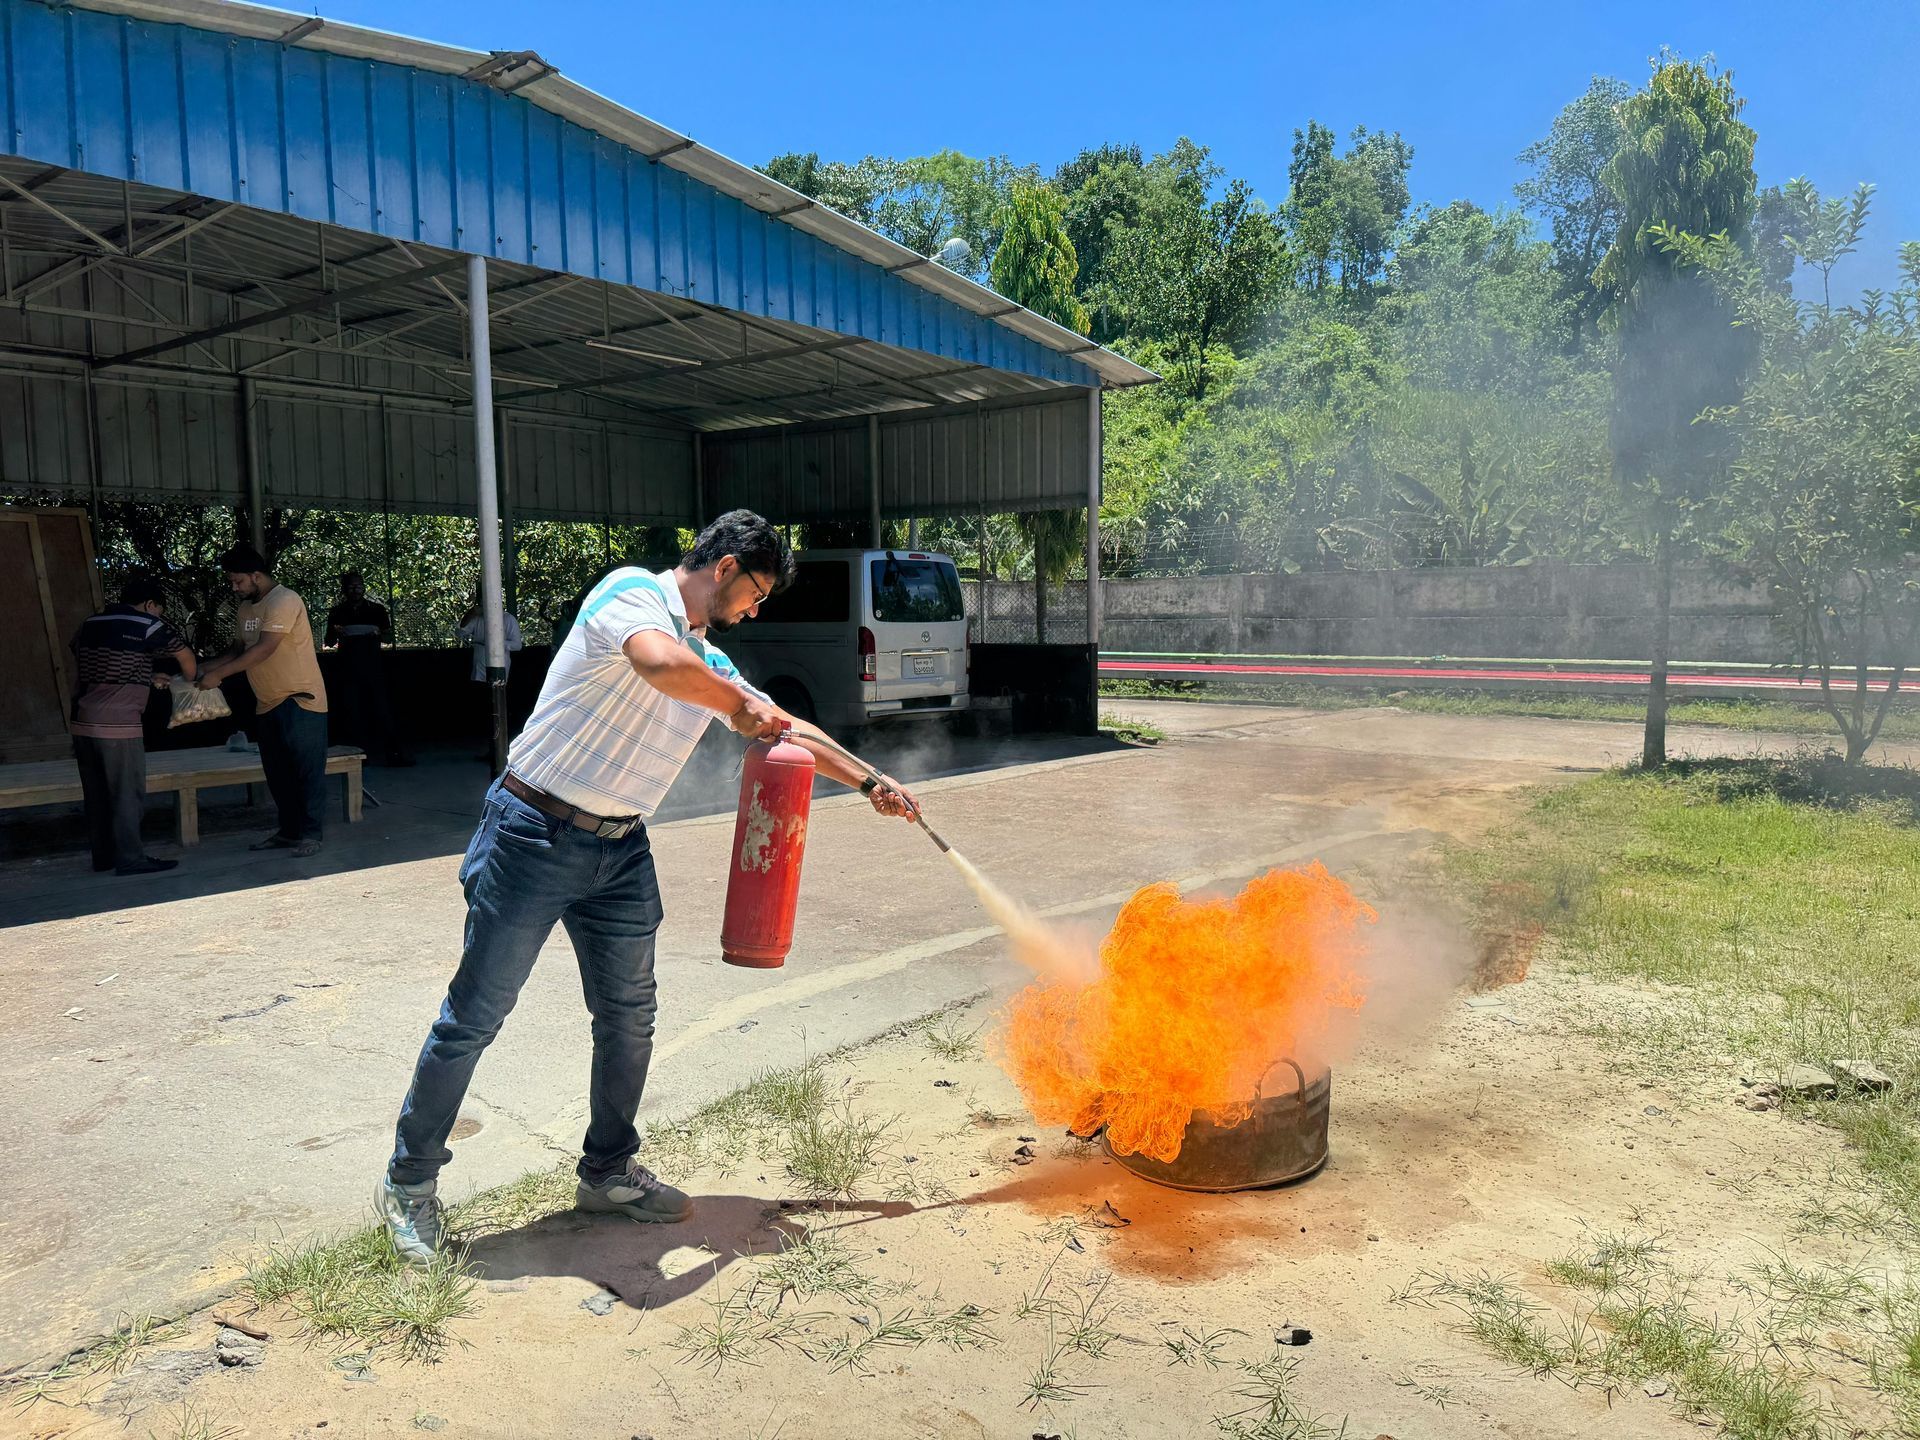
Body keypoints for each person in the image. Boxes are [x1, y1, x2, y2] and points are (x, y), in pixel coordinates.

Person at [377, 511, 918, 1264]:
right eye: (756, 593)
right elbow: (658, 665)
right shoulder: (631, 594)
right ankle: (409, 1186)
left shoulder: (708, 656)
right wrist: (738, 706)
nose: (754, 611)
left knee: (630, 1016)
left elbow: (782, 725)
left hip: (620, 850)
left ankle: (607, 1172)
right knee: (475, 1017)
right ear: (724, 567)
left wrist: (869, 781)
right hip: (533, 832)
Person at [197, 544, 331, 858]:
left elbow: (265, 649)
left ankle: (311, 834)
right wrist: (202, 669)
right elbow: (237, 652)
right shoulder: (246, 609)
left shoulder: (285, 599)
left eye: (238, 581)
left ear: (256, 575)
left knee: (306, 772)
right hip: (267, 702)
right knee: (278, 775)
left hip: (301, 701)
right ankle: (289, 832)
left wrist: (220, 676)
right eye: (231, 581)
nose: (234, 587)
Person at [68, 576, 197, 875]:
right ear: (150, 604)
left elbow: (98, 661)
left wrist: (145, 677)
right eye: (158, 610)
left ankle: (103, 858)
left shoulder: (90, 623)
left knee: (97, 795)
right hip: (118, 726)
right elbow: (185, 655)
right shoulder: (147, 624)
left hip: (83, 721)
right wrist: (192, 682)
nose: (158, 616)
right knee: (126, 793)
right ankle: (130, 859)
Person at [324, 571, 409, 766]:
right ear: (344, 589)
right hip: (348, 669)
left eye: (359, 585)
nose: (356, 590)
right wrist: (336, 632)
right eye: (352, 586)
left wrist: (379, 633)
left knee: (382, 710)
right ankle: (359, 756)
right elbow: (328, 641)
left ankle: (394, 754)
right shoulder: (337, 612)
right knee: (354, 712)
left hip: (373, 668)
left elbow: (389, 638)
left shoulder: (377, 610)